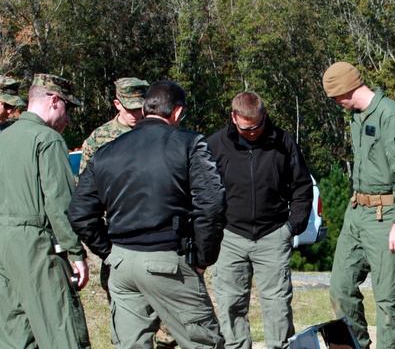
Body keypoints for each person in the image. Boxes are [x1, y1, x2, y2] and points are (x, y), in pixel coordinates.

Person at [68, 80, 226, 348]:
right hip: (167, 258)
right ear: (177, 112)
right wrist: (203, 257)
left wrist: (108, 251)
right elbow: (211, 203)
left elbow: (79, 211)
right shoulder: (189, 143)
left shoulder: (106, 151)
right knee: (204, 343)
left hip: (122, 264)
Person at [322, 62, 395, 349]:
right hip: (357, 211)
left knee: (389, 300)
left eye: (334, 96)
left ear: (346, 90)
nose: (335, 103)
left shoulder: (391, 114)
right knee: (341, 288)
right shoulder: (356, 116)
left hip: (387, 214)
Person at [207, 91, 313, 349]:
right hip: (230, 236)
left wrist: (291, 228)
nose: (253, 131)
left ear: (264, 115)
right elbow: (203, 191)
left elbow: (302, 186)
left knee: (277, 304)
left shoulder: (283, 142)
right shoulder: (215, 144)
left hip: (273, 234)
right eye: (246, 127)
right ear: (233, 118)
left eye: (257, 125)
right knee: (230, 302)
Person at [0, 73, 90, 348]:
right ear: (54, 100)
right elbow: (59, 203)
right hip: (36, 247)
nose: (69, 118)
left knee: (16, 334)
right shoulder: (47, 139)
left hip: (4, 246)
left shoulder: (4, 137)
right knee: (63, 330)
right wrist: (76, 252)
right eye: (67, 107)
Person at [78, 77, 148, 174]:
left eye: (139, 109)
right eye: (130, 109)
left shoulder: (153, 132)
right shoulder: (99, 138)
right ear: (117, 104)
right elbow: (85, 180)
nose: (135, 114)